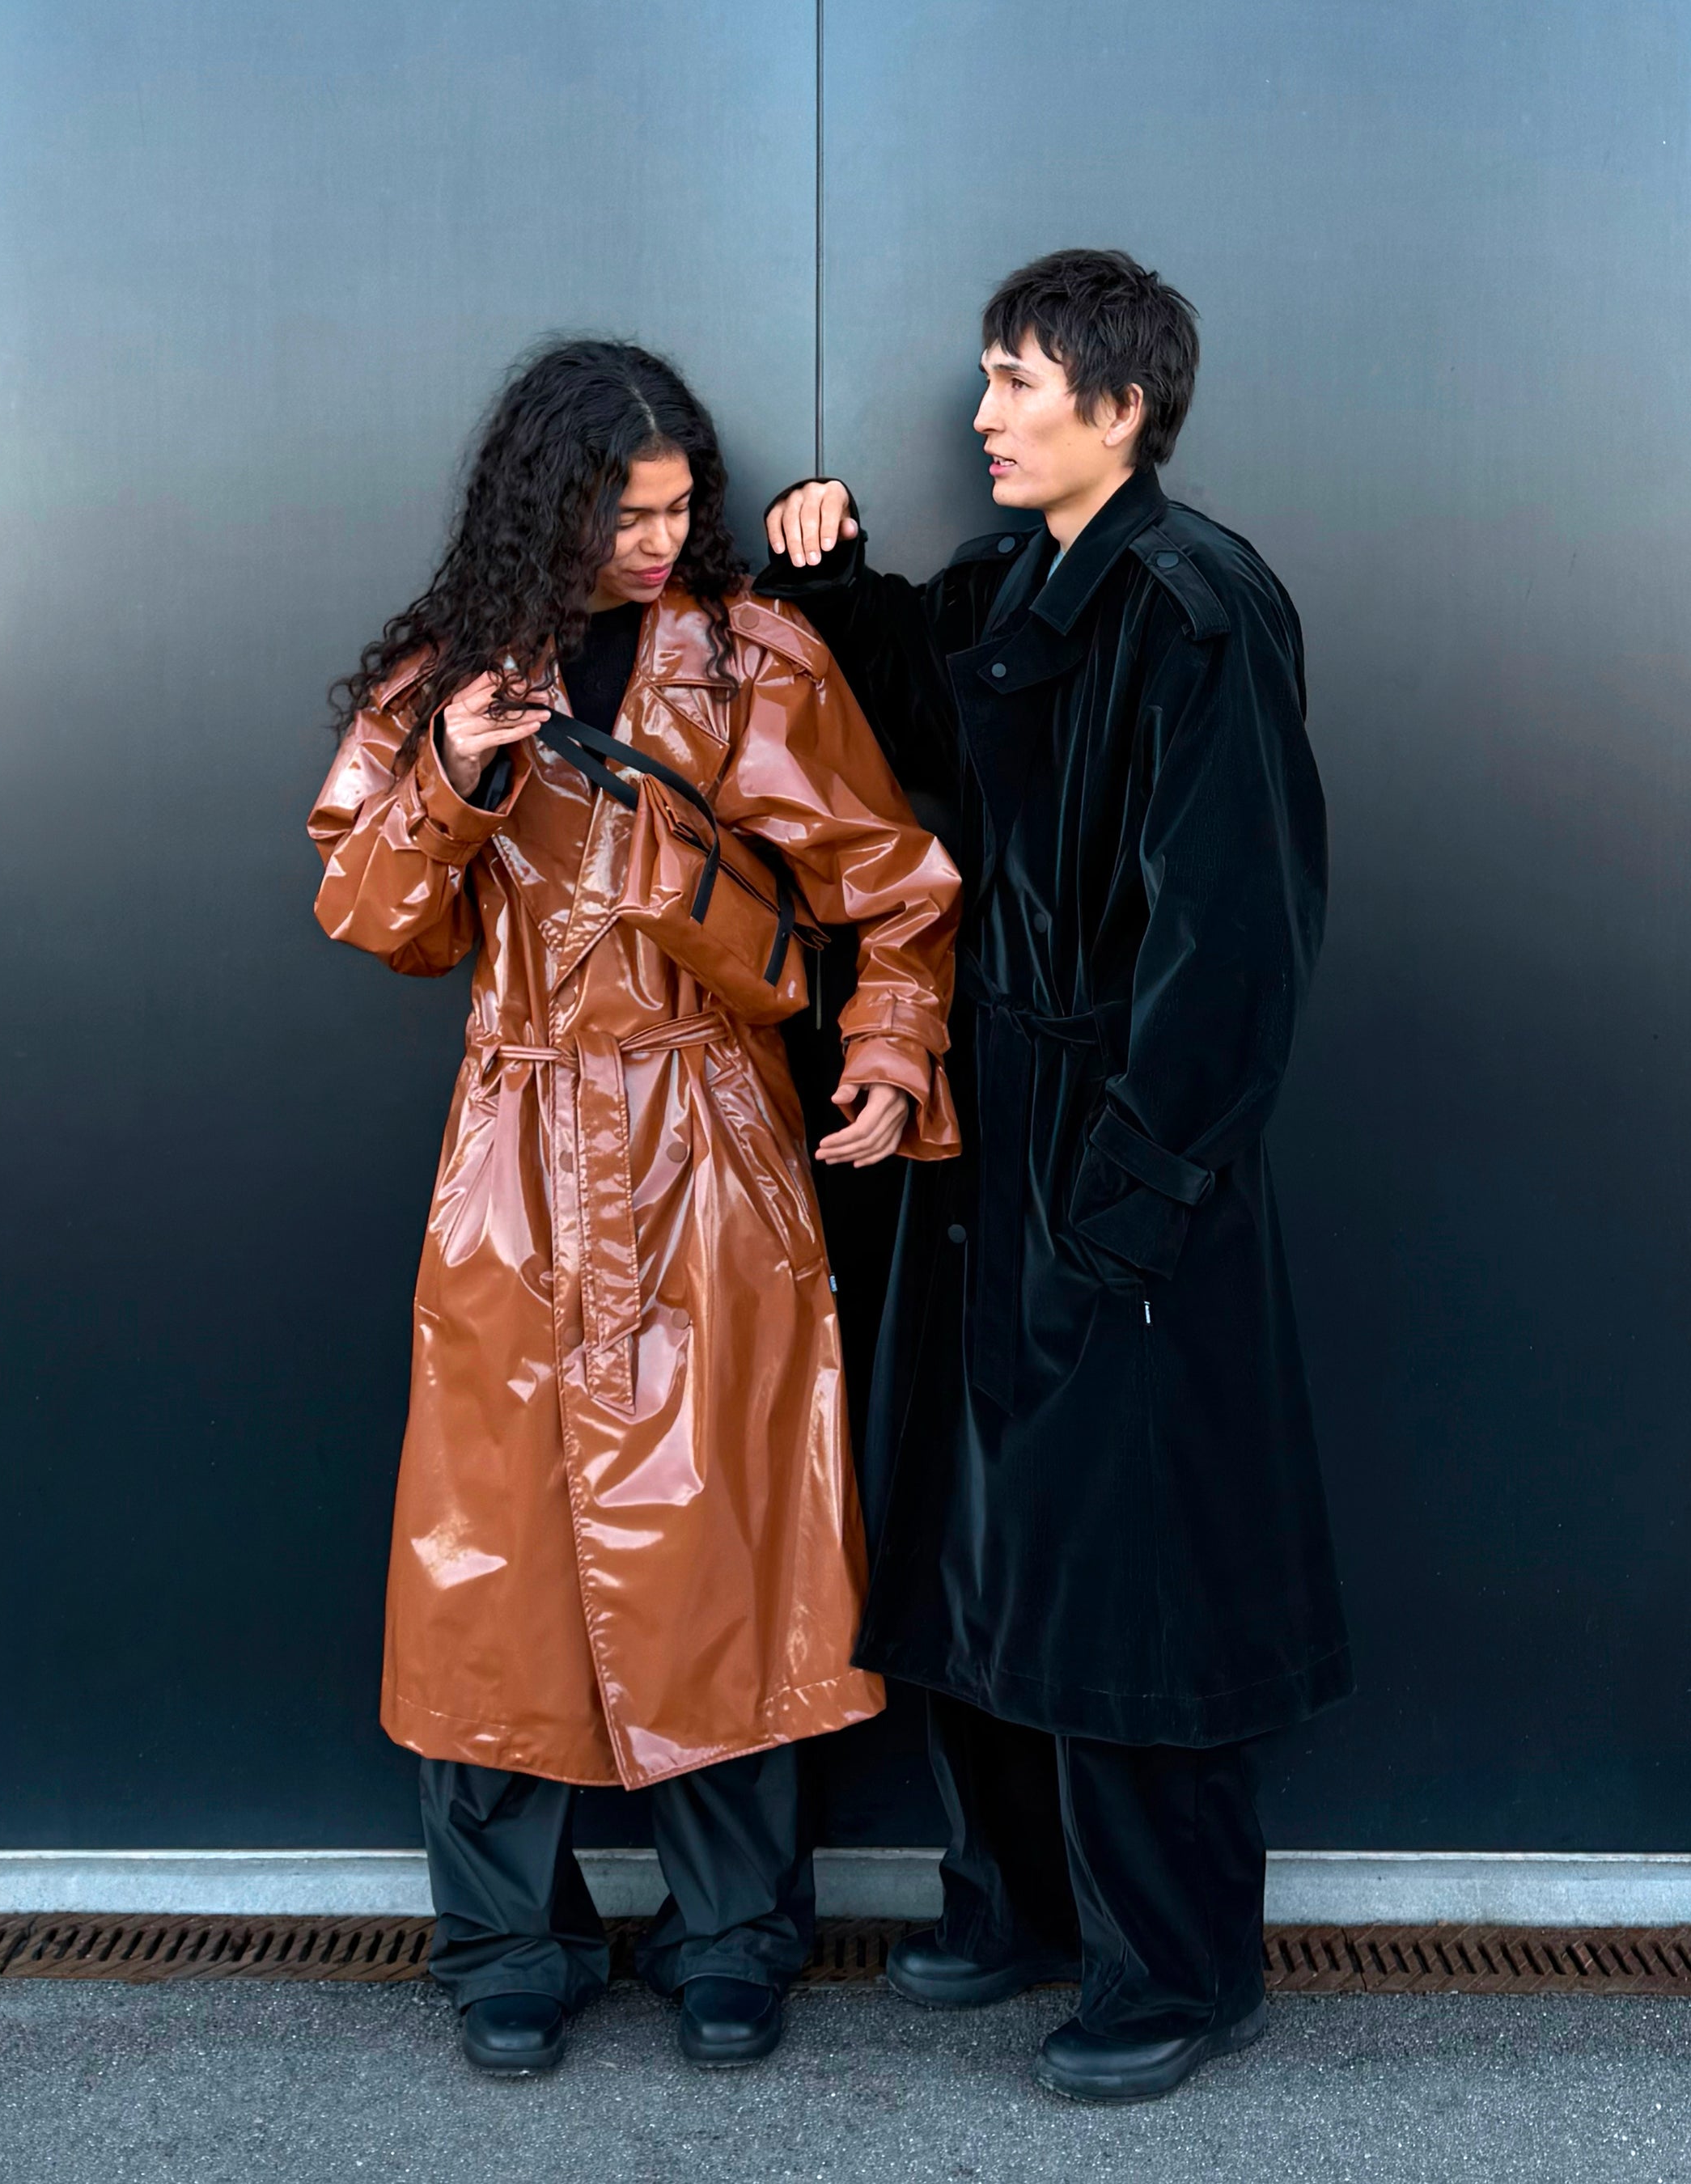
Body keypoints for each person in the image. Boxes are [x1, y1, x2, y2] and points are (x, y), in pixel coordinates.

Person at [309, 339, 960, 2075]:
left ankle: (735, 1932)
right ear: (545, 510)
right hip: (518, 1157)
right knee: (488, 1559)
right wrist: (454, 775)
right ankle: (503, 1939)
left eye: (679, 509)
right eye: (624, 515)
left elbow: (895, 887)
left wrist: (891, 1056)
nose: (659, 542)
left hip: (711, 1140)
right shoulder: (450, 679)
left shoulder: (754, 660)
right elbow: (374, 915)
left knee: (722, 1536)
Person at [756, 248, 1351, 2105]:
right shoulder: (1020, 582)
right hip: (993, 1127)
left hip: (1116, 1142)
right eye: (990, 377)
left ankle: (1179, 1969)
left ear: (1123, 402)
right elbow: (933, 723)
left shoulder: (1194, 604)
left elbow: (1236, 931)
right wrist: (829, 583)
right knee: (983, 1525)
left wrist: (1140, 1185)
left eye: (1018, 380)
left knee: (1134, 1557)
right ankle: (1012, 1899)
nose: (984, 414)